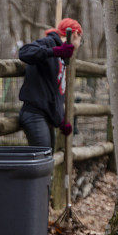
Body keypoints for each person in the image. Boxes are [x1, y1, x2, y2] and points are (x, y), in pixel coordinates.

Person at [17, 18, 83, 150]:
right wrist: (55, 51)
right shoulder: (49, 42)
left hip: (46, 117)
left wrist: (61, 121)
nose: (81, 43)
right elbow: (24, 52)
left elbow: (54, 91)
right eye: (81, 38)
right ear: (75, 34)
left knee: (47, 160)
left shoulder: (64, 56)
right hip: (34, 114)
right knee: (42, 160)